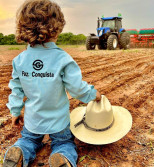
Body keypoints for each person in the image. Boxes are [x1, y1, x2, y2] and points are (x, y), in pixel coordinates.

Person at [3, 0, 101, 166]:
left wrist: (15, 111)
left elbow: (16, 89)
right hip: (59, 123)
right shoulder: (62, 59)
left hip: (32, 121)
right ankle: (62, 156)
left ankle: (20, 150)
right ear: (57, 28)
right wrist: (94, 94)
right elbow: (77, 88)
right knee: (64, 143)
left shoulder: (19, 60)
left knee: (28, 139)